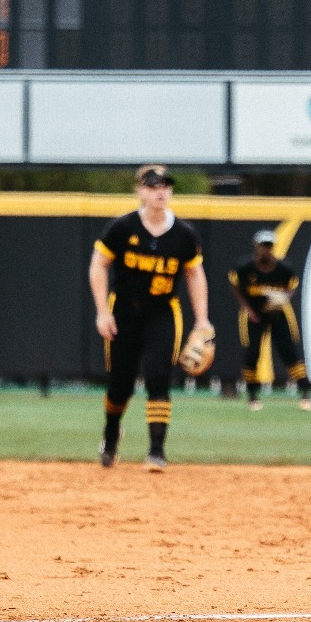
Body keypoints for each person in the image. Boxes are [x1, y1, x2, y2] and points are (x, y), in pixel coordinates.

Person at [89, 165, 209, 470]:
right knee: (120, 385)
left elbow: (194, 274)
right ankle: (112, 432)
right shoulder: (122, 227)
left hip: (163, 311)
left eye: (165, 185)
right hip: (124, 311)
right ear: (140, 191)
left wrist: (202, 319)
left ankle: (156, 450)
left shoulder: (183, 234)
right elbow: (98, 265)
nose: (160, 191)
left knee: (158, 376)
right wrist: (102, 311)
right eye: (153, 185)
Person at [228, 229, 311, 411]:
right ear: (256, 246)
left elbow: (292, 286)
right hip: (254, 314)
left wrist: (283, 299)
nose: (266, 250)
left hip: (277, 314)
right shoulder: (245, 268)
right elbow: (235, 284)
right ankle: (252, 396)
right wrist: (248, 308)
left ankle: (305, 393)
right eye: (263, 246)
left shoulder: (283, 269)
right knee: (252, 353)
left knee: (290, 353)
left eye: (269, 246)